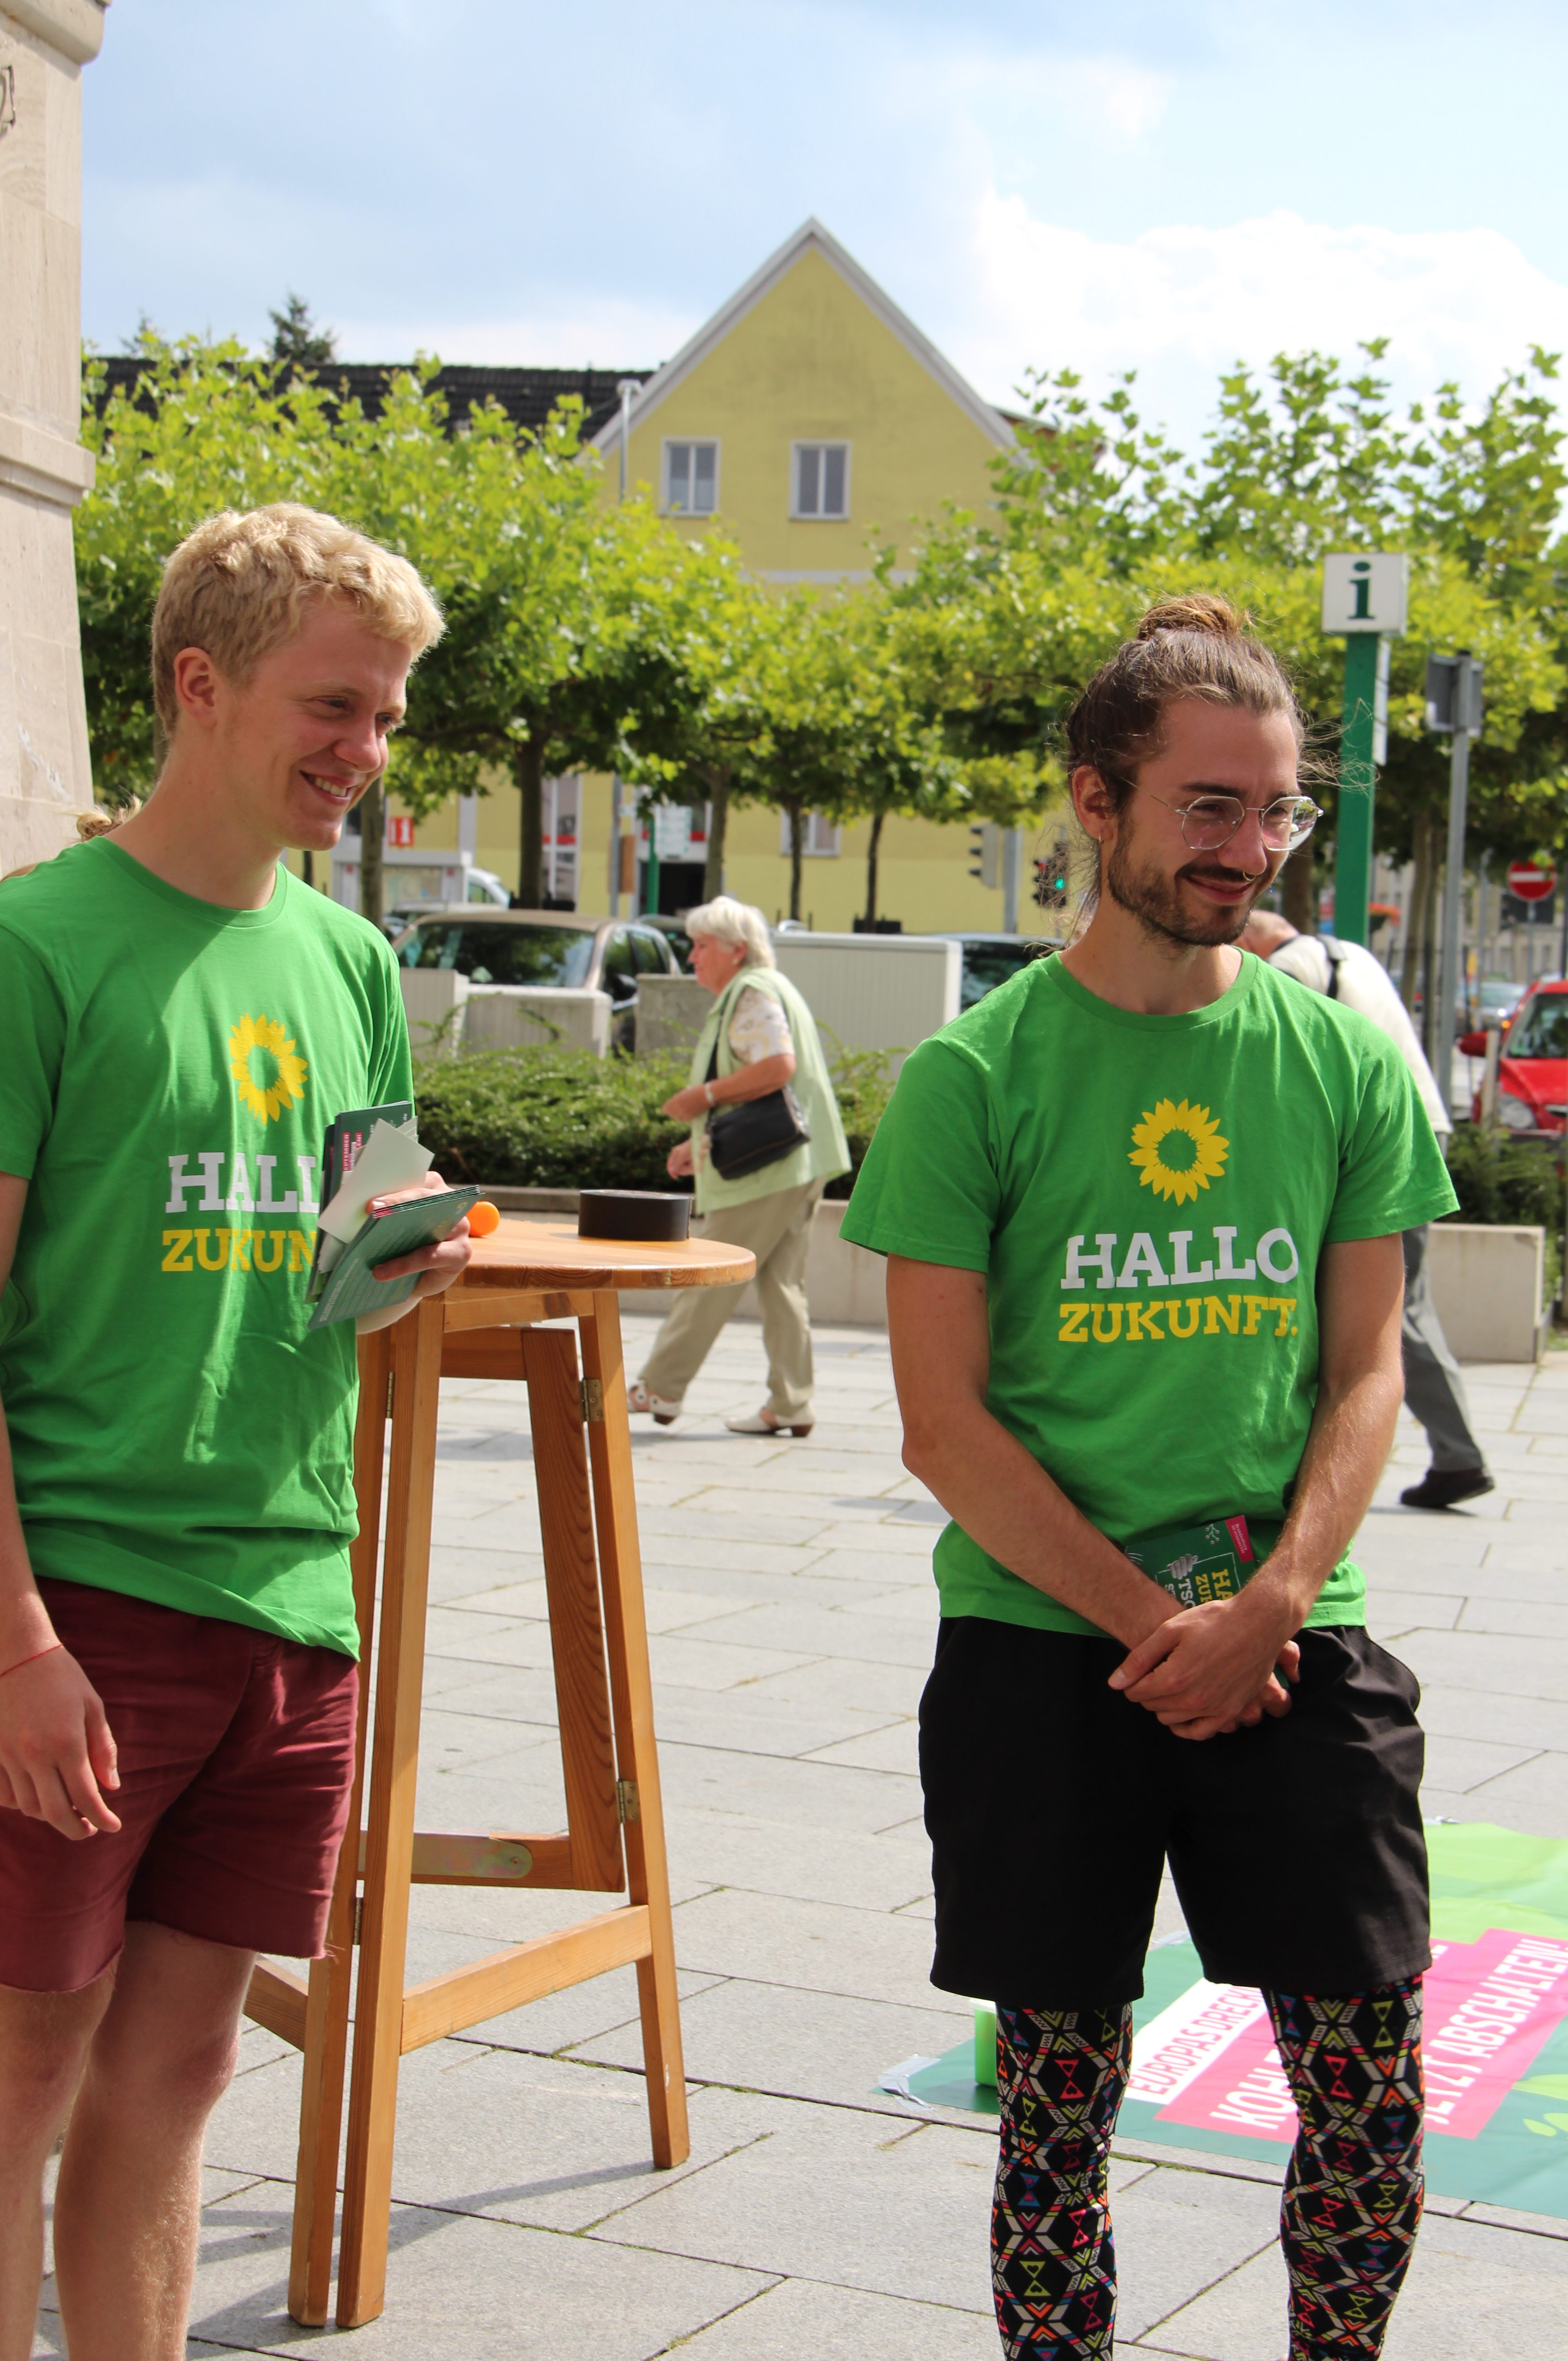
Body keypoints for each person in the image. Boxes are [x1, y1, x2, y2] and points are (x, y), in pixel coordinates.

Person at [842, 596, 1456, 2361]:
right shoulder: (976, 1080)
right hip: (1049, 1653)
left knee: (1366, 2091)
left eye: (1273, 813)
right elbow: (943, 1427)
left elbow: (1365, 1373)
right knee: (1056, 2113)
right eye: (1209, 807)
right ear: (1094, 804)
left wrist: (1262, 1610)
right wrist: (1149, 1623)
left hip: (1292, 1635)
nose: (1249, 850)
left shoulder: (1338, 1059)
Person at [0, 503, 473, 2361]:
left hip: (293, 1605)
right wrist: (17, 1646)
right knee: (24, 2064)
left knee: (180, 2072)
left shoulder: (349, 967)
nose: (368, 753)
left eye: (388, 716)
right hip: (83, 1615)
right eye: (336, 705)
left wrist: (409, 1256)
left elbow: (359, 1265)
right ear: (200, 687)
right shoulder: (35, 949)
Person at [1239, 907, 1493, 1512]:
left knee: (1389, 1309)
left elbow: (1269, 1056)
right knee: (1405, 1302)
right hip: (1420, 1126)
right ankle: (1457, 1456)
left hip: (1382, 1140)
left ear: (1254, 939)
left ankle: (1459, 1457)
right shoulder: (1349, 953)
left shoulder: (1292, 963)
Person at [628, 895, 849, 1437]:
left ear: (738, 952)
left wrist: (700, 1097)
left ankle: (661, 1386)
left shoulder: (750, 993)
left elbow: (777, 1068)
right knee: (781, 1286)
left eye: (703, 946)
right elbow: (763, 1085)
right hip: (800, 1159)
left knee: (711, 1274)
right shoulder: (767, 989)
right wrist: (696, 1144)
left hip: (769, 1169)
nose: (693, 955)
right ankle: (792, 1403)